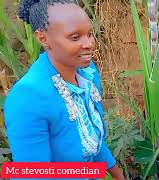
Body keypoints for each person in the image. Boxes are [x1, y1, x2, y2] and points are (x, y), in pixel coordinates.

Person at [3, 0, 124, 179]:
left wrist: (117, 175)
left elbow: (94, 143)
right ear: (43, 38)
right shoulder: (27, 98)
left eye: (89, 34)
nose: (89, 43)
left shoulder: (87, 75)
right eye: (75, 37)